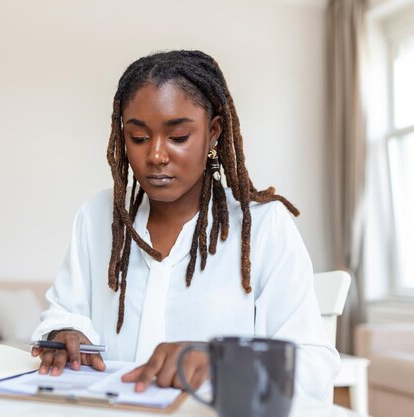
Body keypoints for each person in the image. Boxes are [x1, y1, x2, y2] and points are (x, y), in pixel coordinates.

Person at [30, 50, 340, 401]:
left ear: (213, 133)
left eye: (178, 137)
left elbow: (314, 365)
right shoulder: (98, 217)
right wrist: (64, 331)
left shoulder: (264, 227)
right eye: (139, 138)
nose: (156, 155)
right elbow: (64, 310)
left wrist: (222, 362)